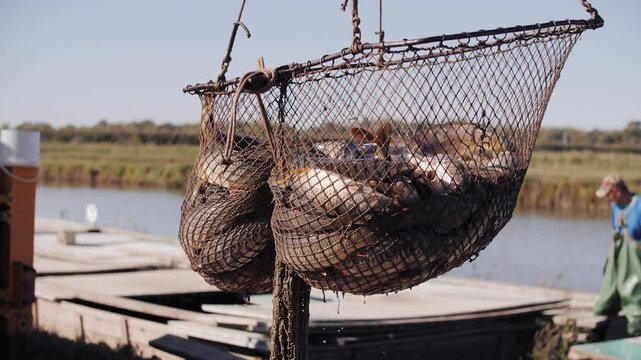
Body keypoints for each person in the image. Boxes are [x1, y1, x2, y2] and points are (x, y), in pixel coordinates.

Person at [593, 174, 641, 336]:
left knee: (635, 307)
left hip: (636, 264)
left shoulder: (638, 205)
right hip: (619, 260)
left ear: (618, 191)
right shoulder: (614, 207)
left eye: (608, 194)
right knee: (602, 307)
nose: (608, 198)